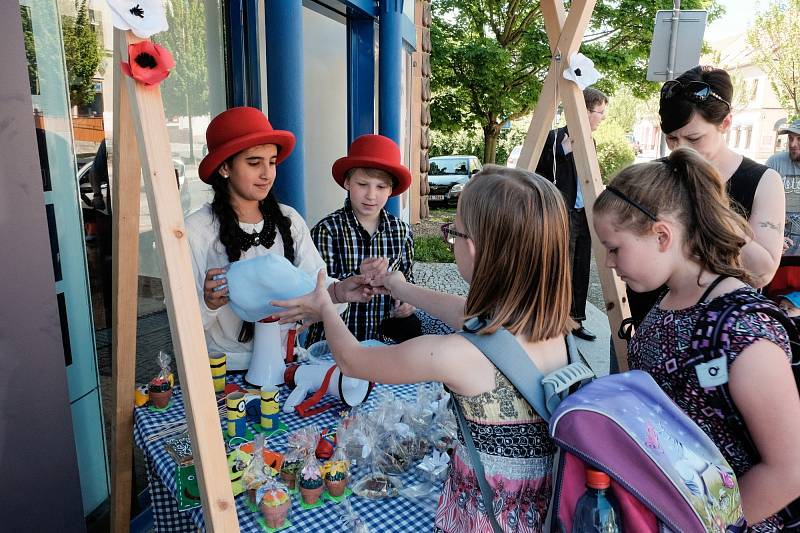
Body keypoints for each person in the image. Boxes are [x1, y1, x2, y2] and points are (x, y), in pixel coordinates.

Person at [274, 165, 576, 532]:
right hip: (540, 512)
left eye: (453, 233)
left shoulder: (454, 354)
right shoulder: (552, 326)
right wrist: (398, 287)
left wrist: (325, 304)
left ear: (474, 249)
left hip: (482, 519)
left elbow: (352, 360)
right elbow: (464, 311)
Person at [593, 147, 800, 530]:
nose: (608, 263)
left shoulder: (743, 329)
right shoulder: (669, 299)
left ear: (661, 234)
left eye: (614, 248)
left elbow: (789, 469)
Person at [185, 106, 373, 371]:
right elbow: (183, 324)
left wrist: (339, 291)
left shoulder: (289, 220)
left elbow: (312, 285)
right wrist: (208, 303)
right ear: (225, 167)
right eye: (254, 163)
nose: (267, 173)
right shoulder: (197, 230)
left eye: (271, 162)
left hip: (286, 365)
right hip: (225, 371)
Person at [627, 65, 785, 328]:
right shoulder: (655, 174)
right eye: (672, 139)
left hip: (717, 338)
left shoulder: (762, 181)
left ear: (726, 123)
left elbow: (760, 273)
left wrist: (708, 201)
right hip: (647, 327)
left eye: (694, 138)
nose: (681, 149)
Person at [305, 134, 418, 346]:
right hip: (333, 345)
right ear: (347, 182)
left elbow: (408, 277)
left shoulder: (401, 231)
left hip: (384, 345)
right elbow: (316, 290)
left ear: (391, 190)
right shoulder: (327, 230)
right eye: (363, 184)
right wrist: (358, 276)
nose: (371, 195)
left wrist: (407, 300)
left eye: (381, 187)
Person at [536, 87, 608, 341]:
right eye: (600, 112)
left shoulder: (591, 141)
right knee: (559, 267)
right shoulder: (554, 138)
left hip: (584, 214)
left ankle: (576, 320)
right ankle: (553, 320)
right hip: (562, 214)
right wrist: (562, 152)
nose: (602, 118)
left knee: (580, 268)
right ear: (585, 111)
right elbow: (538, 173)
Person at [766, 119, 800, 253]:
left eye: (799, 139)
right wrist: (772, 237)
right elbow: (761, 204)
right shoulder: (775, 162)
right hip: (780, 245)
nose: (793, 144)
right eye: (790, 138)